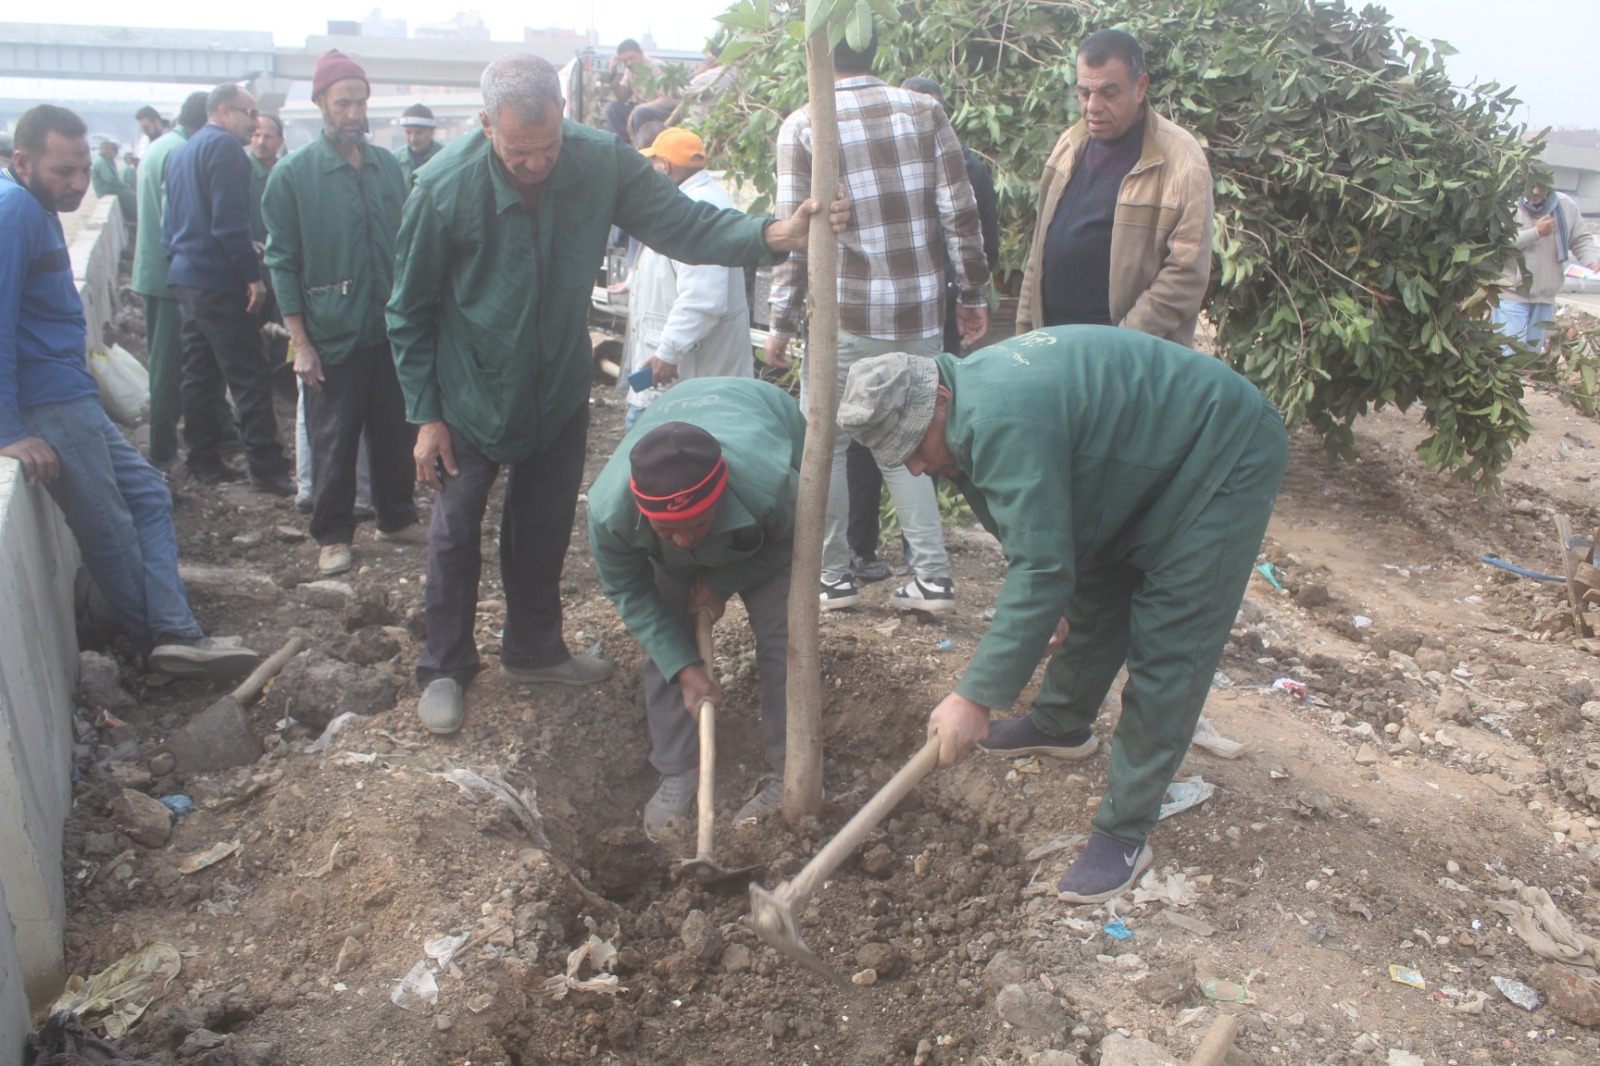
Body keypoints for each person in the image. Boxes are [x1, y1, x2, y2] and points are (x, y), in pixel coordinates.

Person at [387, 53, 840, 736]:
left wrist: (772, 235)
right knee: (456, 534)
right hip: (468, 393)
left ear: (564, 120)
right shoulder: (441, 189)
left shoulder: (600, 161)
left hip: (557, 387)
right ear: (486, 127)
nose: (537, 165)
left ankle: (534, 648)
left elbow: (680, 223)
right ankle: (445, 666)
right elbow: (408, 309)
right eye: (519, 153)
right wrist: (425, 415)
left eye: (548, 149)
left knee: (540, 526)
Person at [836, 328, 1286, 903]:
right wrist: (1050, 608)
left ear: (940, 401)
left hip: (1224, 448)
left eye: (917, 447)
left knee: (1171, 635)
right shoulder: (964, 410)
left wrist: (974, 697)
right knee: (1097, 583)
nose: (919, 469)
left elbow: (1042, 570)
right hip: (1140, 464)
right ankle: (1060, 724)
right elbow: (1042, 548)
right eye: (904, 459)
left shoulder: (999, 418)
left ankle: (1125, 831)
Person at [1, 105, 261, 684]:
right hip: (51, 404)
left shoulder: (32, 204)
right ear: (23, 162)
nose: (77, 184)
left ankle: (172, 632)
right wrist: (9, 430)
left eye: (82, 170)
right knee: (110, 526)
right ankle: (163, 643)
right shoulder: (14, 208)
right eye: (63, 171)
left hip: (70, 394)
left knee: (148, 493)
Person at [765, 34, 989, 615]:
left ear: (815, 52)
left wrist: (781, 324)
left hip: (844, 315)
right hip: (916, 311)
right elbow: (959, 211)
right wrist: (972, 292)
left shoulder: (805, 124)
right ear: (872, 49)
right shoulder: (924, 109)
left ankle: (833, 579)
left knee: (829, 444)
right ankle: (933, 579)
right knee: (906, 437)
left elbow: (795, 236)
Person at [589, 379, 803, 834]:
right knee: (667, 637)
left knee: (786, 638)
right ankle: (678, 769)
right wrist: (685, 668)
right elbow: (631, 593)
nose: (684, 541)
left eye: (696, 525)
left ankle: (790, 769)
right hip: (685, 486)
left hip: (761, 488)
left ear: (719, 501)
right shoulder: (611, 513)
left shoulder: (769, 484)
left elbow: (800, 539)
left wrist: (723, 581)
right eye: (669, 532)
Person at [263, 50, 418, 578]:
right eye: (343, 102)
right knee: (334, 438)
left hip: (388, 330)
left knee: (395, 429)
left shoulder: (387, 169)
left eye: (360, 101)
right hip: (330, 335)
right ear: (321, 104)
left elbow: (407, 245)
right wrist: (300, 342)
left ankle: (396, 517)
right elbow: (281, 260)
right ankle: (332, 534)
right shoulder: (293, 176)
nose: (354, 113)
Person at [1015, 29, 1214, 347]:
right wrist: (1025, 334)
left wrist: (1119, 344)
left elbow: (1186, 275)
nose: (1093, 106)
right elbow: (1038, 250)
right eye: (1084, 93)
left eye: (1109, 93)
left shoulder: (1181, 161)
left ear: (1140, 87)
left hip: (1127, 364)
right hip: (1052, 348)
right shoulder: (1070, 145)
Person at [163, 83, 293, 495]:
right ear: (222, 111)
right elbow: (227, 221)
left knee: (200, 374)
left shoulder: (185, 149)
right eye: (249, 114)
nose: (255, 124)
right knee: (249, 375)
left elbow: (179, 221)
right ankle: (268, 471)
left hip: (188, 275)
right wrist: (251, 276)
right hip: (218, 280)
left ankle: (202, 460)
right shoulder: (224, 150)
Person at [622, 128, 754, 429]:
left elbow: (702, 297)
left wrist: (668, 352)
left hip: (685, 386)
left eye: (653, 163)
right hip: (693, 380)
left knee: (652, 462)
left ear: (664, 166)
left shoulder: (693, 208)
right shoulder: (702, 200)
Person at [131, 92, 207, 470]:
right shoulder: (182, 153)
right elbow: (174, 222)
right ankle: (162, 451)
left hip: (155, 272)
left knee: (173, 364)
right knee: (168, 367)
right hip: (169, 278)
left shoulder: (163, 146)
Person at [1494, 180, 1600, 350]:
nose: (1535, 191)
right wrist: (1536, 233)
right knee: (1509, 357)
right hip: (1512, 295)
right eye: (1530, 186)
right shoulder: (1508, 205)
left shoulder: (1565, 206)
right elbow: (1500, 243)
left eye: (1540, 186)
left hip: (1545, 298)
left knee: (1531, 357)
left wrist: (1591, 261)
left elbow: (1580, 239)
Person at [604, 39, 672, 142]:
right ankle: (620, 150)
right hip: (641, 111)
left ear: (641, 53)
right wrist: (614, 81)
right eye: (625, 61)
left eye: (631, 58)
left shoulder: (656, 66)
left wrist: (639, 108)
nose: (629, 63)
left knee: (640, 112)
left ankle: (641, 153)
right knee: (612, 108)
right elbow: (622, 97)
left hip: (662, 112)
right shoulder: (629, 70)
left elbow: (667, 100)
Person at [248, 113, 284, 244]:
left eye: (268, 136)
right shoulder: (241, 171)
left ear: (280, 141)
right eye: (256, 135)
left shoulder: (287, 173)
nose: (261, 142)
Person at [396, 103, 444, 187]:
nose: (413, 139)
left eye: (418, 133)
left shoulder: (445, 158)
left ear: (432, 131)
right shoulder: (394, 160)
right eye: (408, 132)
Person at [90, 139, 137, 224]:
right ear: (100, 149)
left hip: (112, 189)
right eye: (105, 148)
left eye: (109, 149)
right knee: (131, 197)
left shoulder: (108, 160)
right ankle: (134, 219)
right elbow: (110, 179)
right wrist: (124, 186)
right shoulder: (101, 161)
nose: (107, 151)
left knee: (132, 196)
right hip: (106, 191)